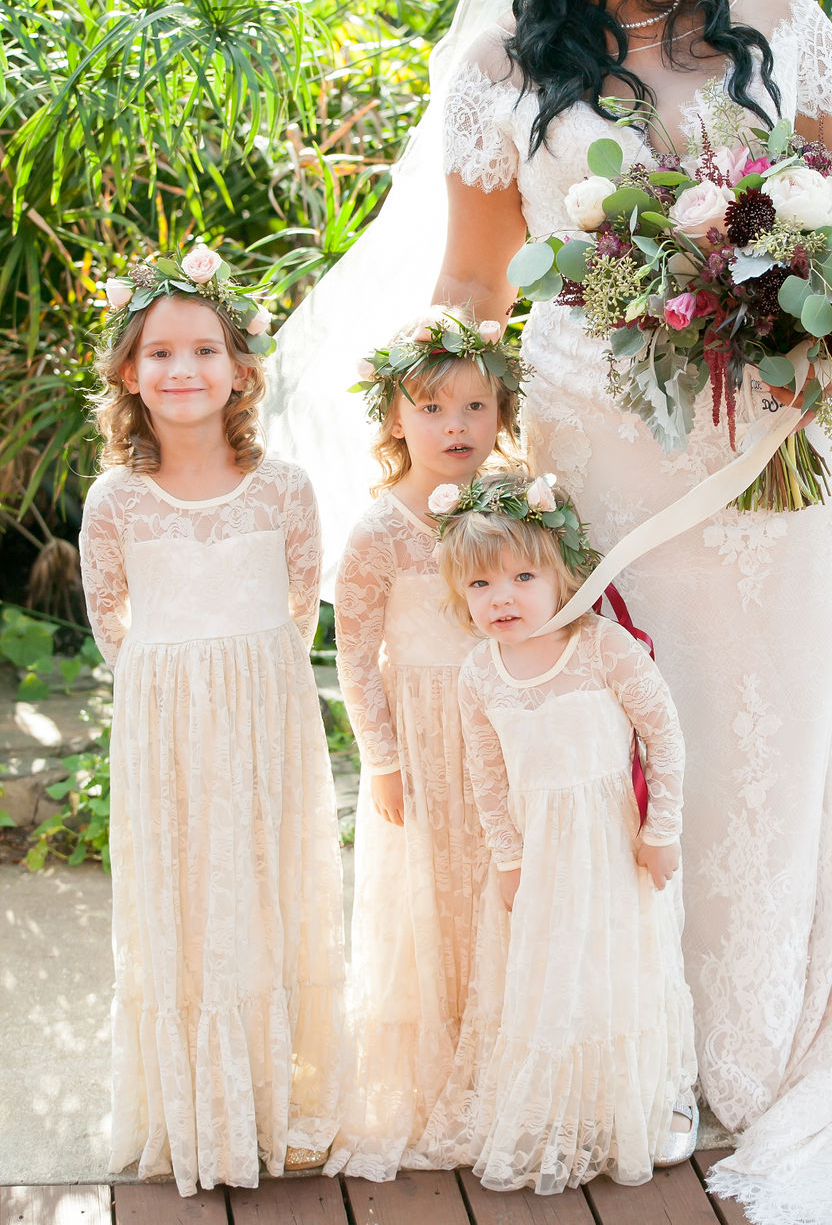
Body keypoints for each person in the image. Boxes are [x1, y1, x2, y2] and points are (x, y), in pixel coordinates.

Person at [263, 0, 832, 1224]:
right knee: (626, 728)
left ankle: (775, 1031)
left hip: (772, 448)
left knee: (776, 717)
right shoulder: (501, 67)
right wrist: (445, 451)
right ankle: (637, 1041)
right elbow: (479, 279)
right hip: (597, 450)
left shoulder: (779, 20)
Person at [79, 249, 346, 1196]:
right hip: (167, 728)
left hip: (265, 714)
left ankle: (278, 1102)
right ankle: (194, 1107)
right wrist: (169, 689)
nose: (182, 369)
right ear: (126, 372)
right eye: (159, 352)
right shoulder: (114, 501)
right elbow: (108, 613)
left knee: (267, 888)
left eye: (204, 349)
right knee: (184, 898)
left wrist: (249, 685)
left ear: (242, 368)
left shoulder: (283, 488)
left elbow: (301, 596)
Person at [416, 472, 697, 1193]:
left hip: (611, 845)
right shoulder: (480, 673)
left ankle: (647, 1093)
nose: (500, 597)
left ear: (563, 572)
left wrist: (661, 830)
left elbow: (663, 735)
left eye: (520, 576)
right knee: (546, 974)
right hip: (537, 853)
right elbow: (484, 770)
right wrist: (507, 857)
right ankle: (560, 1101)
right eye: (479, 586)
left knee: (621, 965)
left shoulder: (602, 647)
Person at [326, 313, 523, 1180]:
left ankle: (508, 1061)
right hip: (427, 735)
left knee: (504, 892)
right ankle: (440, 1072)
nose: (455, 427)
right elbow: (354, 654)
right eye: (433, 408)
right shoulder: (378, 530)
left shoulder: (519, 504)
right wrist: (384, 758)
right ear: (395, 420)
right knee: (435, 895)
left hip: (508, 729)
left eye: (475, 406)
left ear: (501, 415)